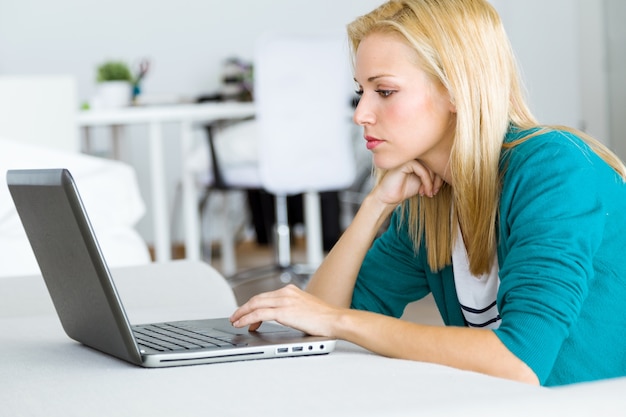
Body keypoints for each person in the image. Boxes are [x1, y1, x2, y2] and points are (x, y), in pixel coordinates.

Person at [230, 0, 626, 386]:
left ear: (456, 90)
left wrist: (339, 322)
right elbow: (317, 324)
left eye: (384, 91)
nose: (360, 114)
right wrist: (375, 206)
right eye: (360, 92)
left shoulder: (554, 168)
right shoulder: (430, 202)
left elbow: (520, 360)